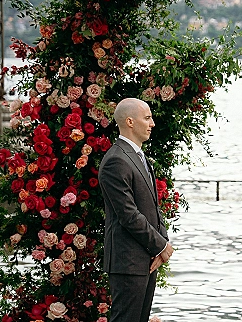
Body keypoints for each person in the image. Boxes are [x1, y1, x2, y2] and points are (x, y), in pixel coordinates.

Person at [99, 98, 174, 322]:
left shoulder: (139, 157)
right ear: (130, 121)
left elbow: (152, 206)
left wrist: (162, 242)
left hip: (145, 258)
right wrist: (160, 245)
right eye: (147, 118)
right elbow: (128, 215)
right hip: (127, 260)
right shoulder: (116, 160)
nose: (152, 124)